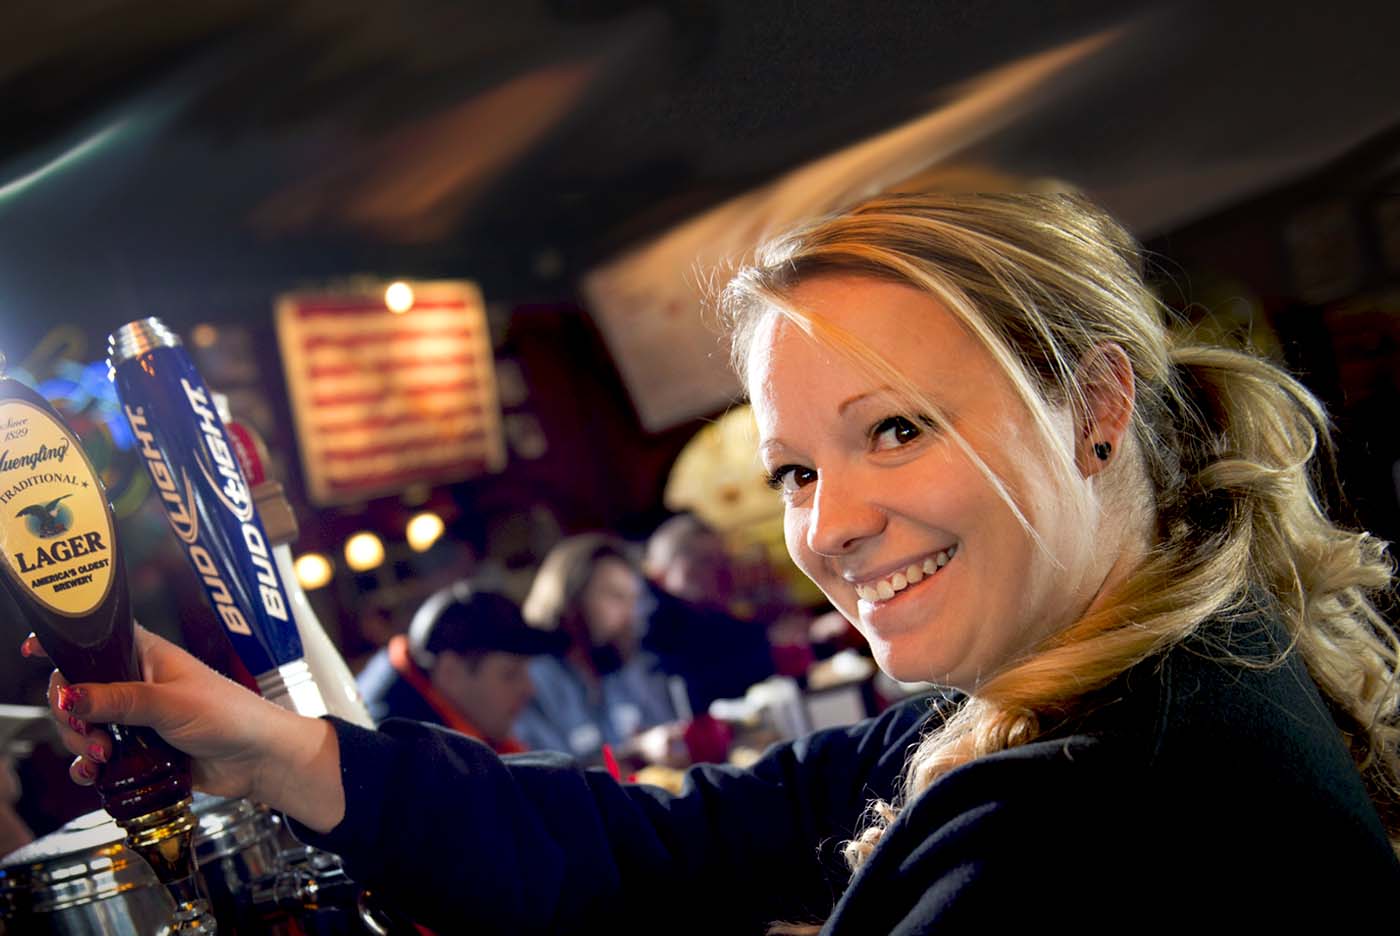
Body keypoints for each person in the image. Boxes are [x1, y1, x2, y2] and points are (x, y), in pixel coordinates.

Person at [34, 193, 1400, 932]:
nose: (831, 524)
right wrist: (279, 752)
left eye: (898, 430)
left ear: (1100, 409)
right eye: (798, 468)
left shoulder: (1104, 824)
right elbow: (660, 852)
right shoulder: (1057, 710)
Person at [512, 533, 677, 757]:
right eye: (615, 596)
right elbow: (544, 777)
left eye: (632, 599)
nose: (630, 614)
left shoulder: (621, 668)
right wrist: (637, 753)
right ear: (571, 594)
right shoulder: (528, 678)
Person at [355, 581, 567, 754]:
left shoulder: (456, 733)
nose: (530, 688)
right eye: (509, 674)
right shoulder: (409, 765)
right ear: (450, 673)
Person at [641, 513, 777, 711]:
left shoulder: (717, 614)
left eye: (723, 560)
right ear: (660, 574)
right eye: (702, 561)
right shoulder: (652, 635)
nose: (719, 571)